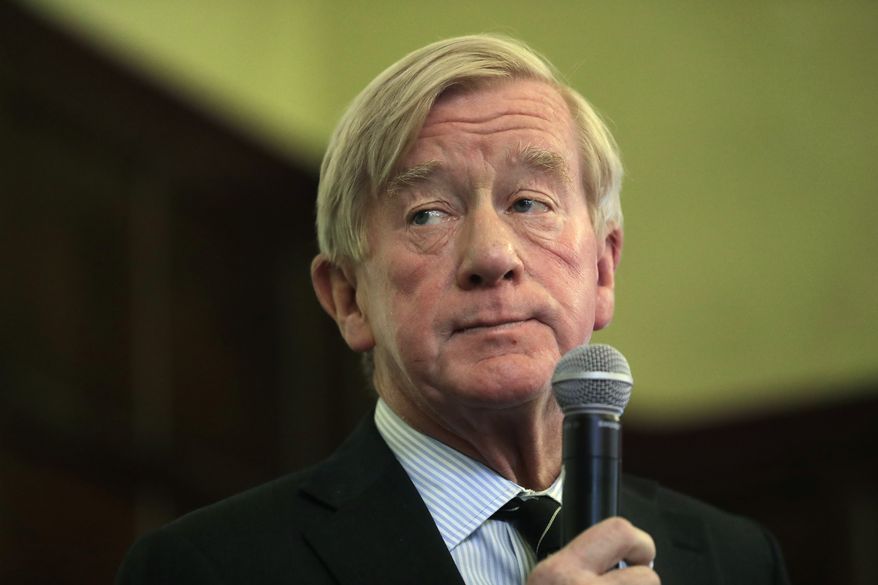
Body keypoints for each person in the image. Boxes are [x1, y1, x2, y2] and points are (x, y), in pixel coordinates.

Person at [117, 34, 789, 585]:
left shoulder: (733, 560)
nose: (492, 255)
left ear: (605, 267)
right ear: (349, 298)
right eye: (428, 213)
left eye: (530, 202)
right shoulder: (208, 568)